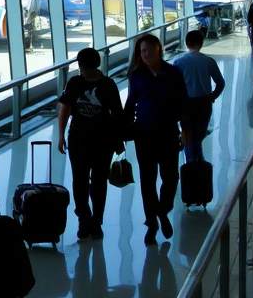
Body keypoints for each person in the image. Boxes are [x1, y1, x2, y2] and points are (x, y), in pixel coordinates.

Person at [123, 34, 192, 245]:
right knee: (148, 179)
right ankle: (151, 223)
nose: (145, 54)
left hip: (168, 132)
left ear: (158, 49)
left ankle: (163, 210)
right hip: (143, 133)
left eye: (148, 50)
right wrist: (124, 130)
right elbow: (130, 103)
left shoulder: (173, 73)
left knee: (171, 177)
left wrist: (186, 129)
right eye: (141, 51)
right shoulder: (136, 75)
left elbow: (183, 103)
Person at [57, 48, 125, 241]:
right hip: (104, 139)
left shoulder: (75, 82)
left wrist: (61, 135)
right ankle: (96, 222)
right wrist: (119, 140)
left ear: (80, 64)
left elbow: (64, 109)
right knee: (99, 182)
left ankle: (84, 220)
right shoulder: (108, 84)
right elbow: (117, 114)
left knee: (79, 180)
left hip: (79, 138)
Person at [173, 30, 225, 162]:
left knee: (188, 135)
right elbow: (220, 82)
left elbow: (174, 87)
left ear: (187, 43)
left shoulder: (179, 62)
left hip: (186, 104)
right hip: (204, 103)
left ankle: (192, 163)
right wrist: (213, 96)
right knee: (199, 135)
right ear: (201, 43)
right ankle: (198, 161)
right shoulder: (208, 61)